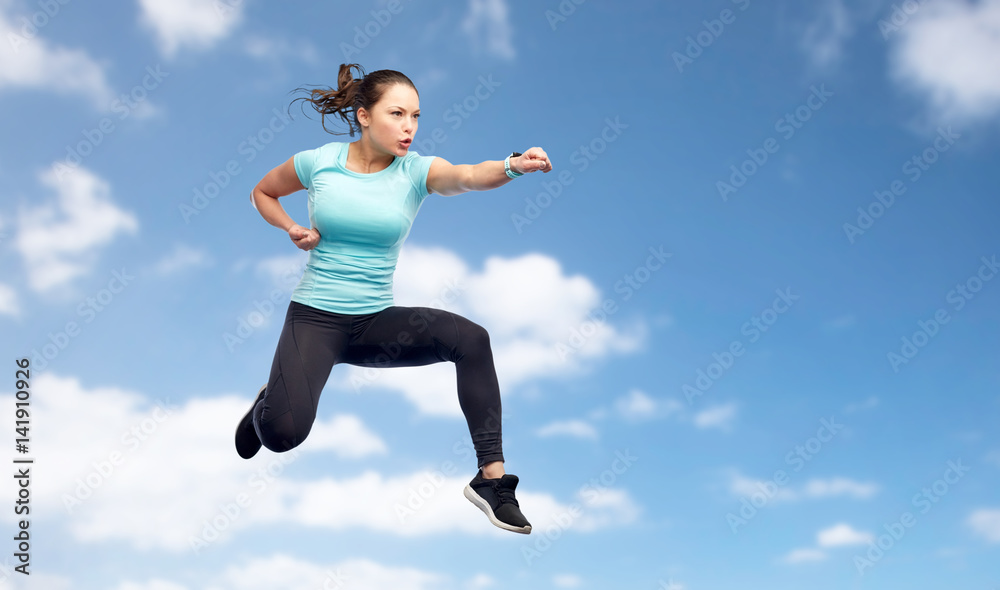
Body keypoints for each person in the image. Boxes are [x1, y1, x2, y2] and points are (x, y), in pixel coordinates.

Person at [234, 63, 552, 535]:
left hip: (374, 324)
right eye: (398, 114)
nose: (409, 127)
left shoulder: (416, 171)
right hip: (315, 320)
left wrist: (512, 165)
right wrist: (291, 228)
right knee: (281, 435)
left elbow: (468, 174)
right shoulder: (317, 162)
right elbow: (263, 191)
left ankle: (492, 481)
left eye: (417, 116)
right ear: (363, 116)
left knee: (472, 339)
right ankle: (270, 400)